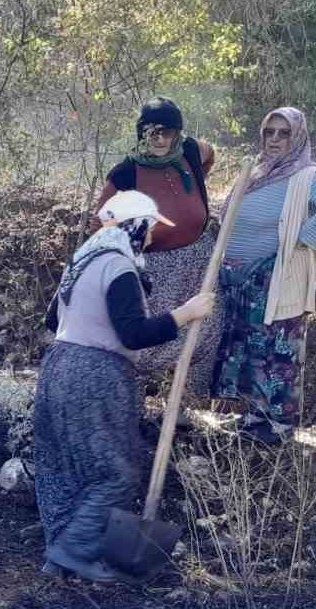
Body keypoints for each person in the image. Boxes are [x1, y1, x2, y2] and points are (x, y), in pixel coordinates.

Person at [36, 192, 215, 583]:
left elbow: (53, 320)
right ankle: (74, 549)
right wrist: (187, 313)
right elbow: (132, 333)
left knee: (64, 465)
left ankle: (60, 553)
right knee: (115, 470)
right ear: (136, 226)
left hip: (58, 366)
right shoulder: (118, 266)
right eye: (149, 228)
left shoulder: (82, 261)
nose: (151, 238)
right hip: (95, 374)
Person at [210, 106, 316, 445]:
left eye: (283, 133)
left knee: (277, 350)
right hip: (239, 279)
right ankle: (252, 418)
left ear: (298, 136)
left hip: (273, 278)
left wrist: (302, 240)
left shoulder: (306, 175)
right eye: (269, 132)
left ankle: (277, 426)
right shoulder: (258, 170)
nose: (275, 139)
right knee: (248, 348)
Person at [94, 97, 218, 396]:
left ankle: (188, 403)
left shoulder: (190, 151)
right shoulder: (126, 173)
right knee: (152, 336)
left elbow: (210, 154)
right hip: (156, 267)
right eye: (153, 132)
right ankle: (132, 399)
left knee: (206, 329)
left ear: (178, 133)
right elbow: (103, 224)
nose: (161, 139)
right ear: (141, 132)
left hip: (200, 258)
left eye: (168, 132)